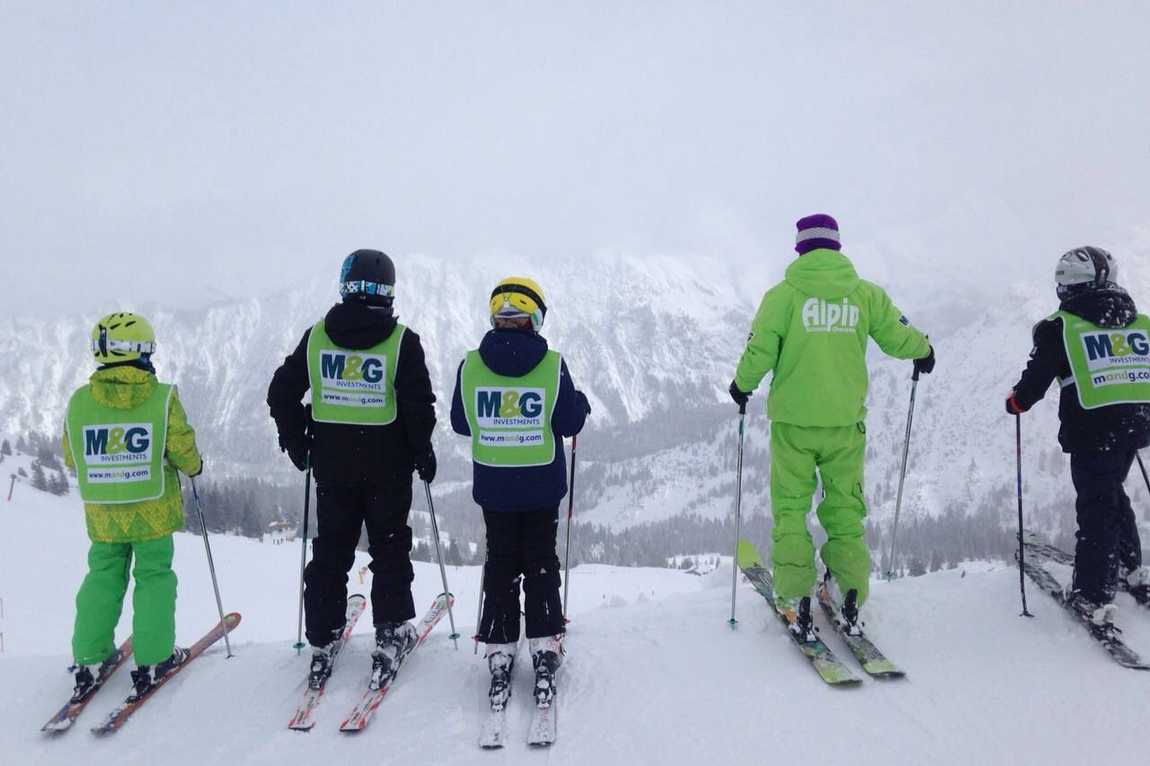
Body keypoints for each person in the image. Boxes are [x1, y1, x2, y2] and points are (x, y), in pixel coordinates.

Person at [729, 214, 934, 638]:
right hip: (845, 424)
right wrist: (924, 350)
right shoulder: (864, 295)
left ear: (800, 249)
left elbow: (759, 350)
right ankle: (849, 590)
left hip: (794, 425)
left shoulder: (782, 297)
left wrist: (741, 386)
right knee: (844, 511)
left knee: (791, 509)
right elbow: (900, 335)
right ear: (837, 247)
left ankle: (797, 592)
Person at [267, 249, 437, 686]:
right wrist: (422, 452)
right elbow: (419, 408)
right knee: (390, 546)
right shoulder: (402, 342)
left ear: (346, 287)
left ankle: (322, 637)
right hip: (388, 468)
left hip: (333, 467)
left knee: (332, 551)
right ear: (388, 293)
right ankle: (391, 629)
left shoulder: (318, 338)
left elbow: (281, 392)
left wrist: (296, 440)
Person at [450, 276, 590, 708]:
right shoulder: (552, 365)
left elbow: (460, 422)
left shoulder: (471, 365)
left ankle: (499, 648)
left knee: (501, 562)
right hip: (542, 487)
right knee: (541, 562)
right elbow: (569, 423)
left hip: (494, 486)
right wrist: (579, 403)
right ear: (536, 318)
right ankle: (545, 647)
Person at [62, 311, 203, 701]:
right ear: (142, 351)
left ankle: (89, 657)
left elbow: (72, 456)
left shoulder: (79, 402)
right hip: (152, 511)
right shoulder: (162, 398)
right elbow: (181, 447)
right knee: (154, 577)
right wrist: (194, 466)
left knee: (102, 575)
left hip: (104, 513)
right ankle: (155, 659)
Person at [1006, 246, 1150, 625]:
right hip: (1136, 423)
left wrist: (1017, 402)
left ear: (1068, 288)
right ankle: (1129, 566)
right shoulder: (1140, 322)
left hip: (1093, 428)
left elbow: (1036, 379)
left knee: (1096, 506)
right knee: (1110, 492)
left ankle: (1093, 595)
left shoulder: (1061, 326)